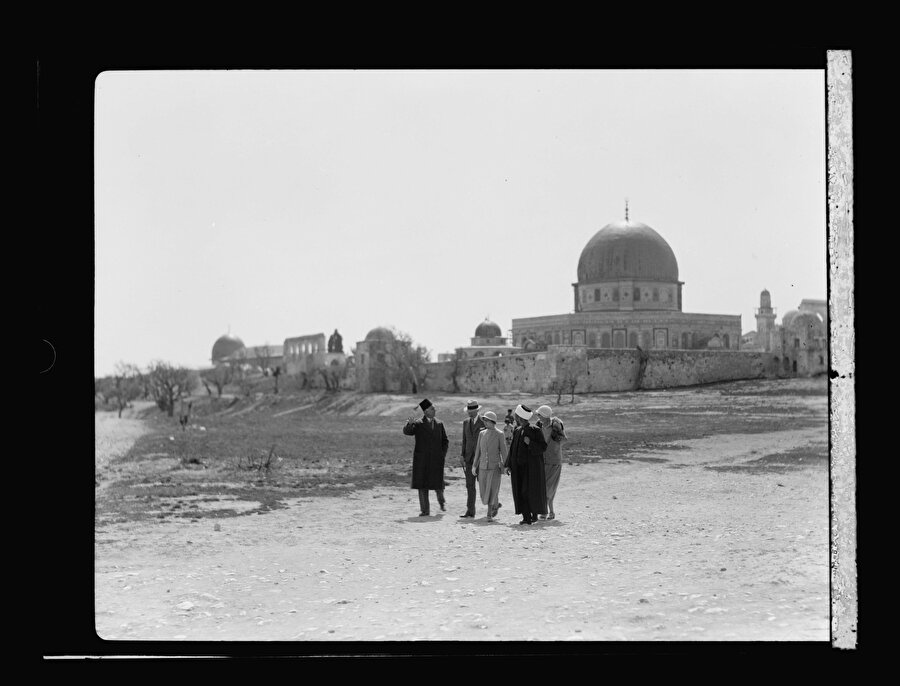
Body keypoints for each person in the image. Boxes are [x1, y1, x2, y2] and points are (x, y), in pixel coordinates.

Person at [403, 398, 449, 516]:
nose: (435, 410)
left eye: (434, 408)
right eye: (432, 409)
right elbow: (408, 432)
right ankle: (425, 510)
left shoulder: (439, 424)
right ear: (426, 411)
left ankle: (441, 502)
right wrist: (409, 424)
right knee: (422, 485)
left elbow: (445, 441)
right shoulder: (418, 424)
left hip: (436, 459)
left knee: (437, 484)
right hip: (422, 460)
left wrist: (442, 454)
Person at [506, 404, 548, 525]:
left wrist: (531, 443)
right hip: (518, 468)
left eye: (516, 415)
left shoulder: (535, 430)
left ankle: (532, 516)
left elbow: (543, 447)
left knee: (529, 491)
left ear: (519, 417)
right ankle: (526, 516)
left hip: (531, 469)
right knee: (521, 491)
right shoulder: (517, 430)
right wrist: (509, 464)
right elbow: (513, 449)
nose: (514, 417)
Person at [471, 411, 508, 522]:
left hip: (494, 468)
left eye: (486, 421)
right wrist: (474, 465)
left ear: (493, 422)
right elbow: (478, 451)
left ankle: (489, 514)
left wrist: (506, 466)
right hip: (482, 467)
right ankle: (495, 504)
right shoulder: (481, 433)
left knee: (492, 490)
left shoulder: (500, 434)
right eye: (484, 420)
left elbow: (504, 452)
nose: (485, 423)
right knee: (483, 492)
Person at [535, 405, 568, 520]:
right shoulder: (538, 426)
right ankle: (549, 512)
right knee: (543, 487)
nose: (537, 416)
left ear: (544, 415)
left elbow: (564, 439)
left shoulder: (556, 425)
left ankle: (546, 511)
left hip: (554, 461)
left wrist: (553, 448)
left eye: (539, 414)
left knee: (549, 487)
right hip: (541, 460)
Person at [459, 400, 485, 518]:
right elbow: (464, 440)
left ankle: (493, 504)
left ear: (477, 411)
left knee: (484, 485)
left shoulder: (484, 422)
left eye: (471, 411)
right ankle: (470, 511)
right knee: (470, 485)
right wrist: (462, 455)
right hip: (469, 458)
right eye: (468, 411)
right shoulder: (465, 423)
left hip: (481, 459)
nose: (469, 413)